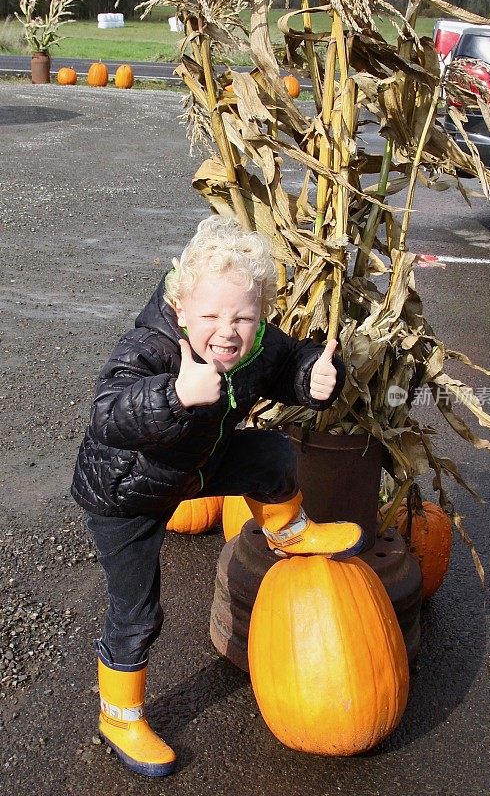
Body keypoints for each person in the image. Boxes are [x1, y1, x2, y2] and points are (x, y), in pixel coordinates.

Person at [71, 215, 365, 777]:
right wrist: (175, 395)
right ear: (181, 309)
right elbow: (105, 413)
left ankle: (290, 531)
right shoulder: (152, 347)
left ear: (260, 315)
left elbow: (291, 365)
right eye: (211, 316)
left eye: (243, 317)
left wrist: (315, 380)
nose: (227, 331)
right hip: (126, 491)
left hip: (195, 470)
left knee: (273, 456)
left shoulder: (254, 346)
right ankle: (120, 716)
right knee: (138, 611)